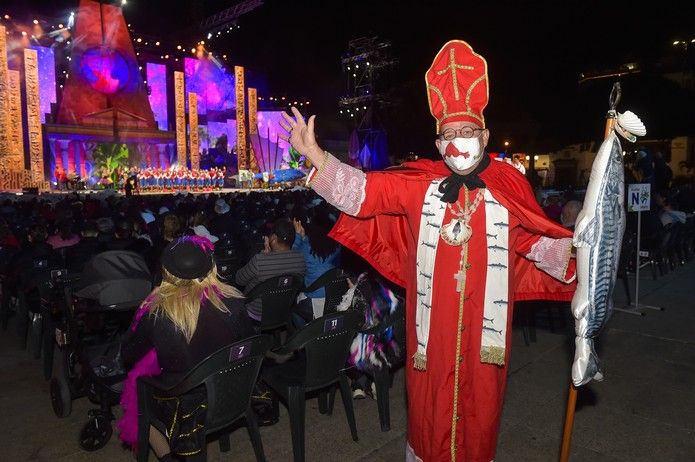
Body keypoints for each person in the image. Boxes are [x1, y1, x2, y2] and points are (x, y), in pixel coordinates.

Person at [280, 40, 576, 461]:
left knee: (479, 421)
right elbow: (363, 192)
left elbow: (536, 243)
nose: (459, 142)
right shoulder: (417, 185)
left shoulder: (510, 187)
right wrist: (316, 155)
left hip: (484, 343)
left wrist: (582, 256)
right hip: (429, 342)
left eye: (468, 132)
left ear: (485, 135)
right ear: (437, 144)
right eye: (449, 134)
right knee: (428, 420)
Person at [119, 235, 254, 460]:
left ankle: (166, 456)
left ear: (166, 272)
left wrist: (141, 317)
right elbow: (248, 344)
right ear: (212, 268)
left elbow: (129, 354)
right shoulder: (235, 302)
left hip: (182, 405)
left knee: (137, 402)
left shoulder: (156, 312)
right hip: (229, 391)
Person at [235, 218, 306, 323]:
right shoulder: (300, 259)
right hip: (283, 311)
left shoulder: (259, 260)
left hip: (256, 313)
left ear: (273, 238)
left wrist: (264, 255)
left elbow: (238, 280)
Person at [291, 207, 341, 325]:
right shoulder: (338, 246)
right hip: (336, 295)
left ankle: (305, 337)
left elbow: (291, 258)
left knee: (292, 313)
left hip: (314, 299)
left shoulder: (306, 248)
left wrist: (298, 236)